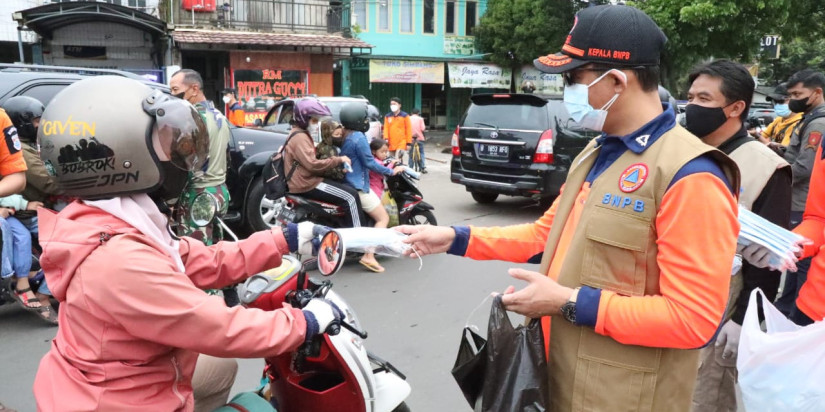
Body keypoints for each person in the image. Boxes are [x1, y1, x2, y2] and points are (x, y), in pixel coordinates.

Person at [398, 5, 740, 411]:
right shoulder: (597, 152)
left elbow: (692, 319)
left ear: (615, 80)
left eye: (573, 79)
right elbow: (546, 235)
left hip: (622, 397)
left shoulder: (690, 174)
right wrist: (454, 237)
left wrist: (566, 302)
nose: (566, 92)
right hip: (559, 377)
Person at [32, 75, 343, 411]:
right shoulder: (119, 259)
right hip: (114, 402)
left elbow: (200, 260)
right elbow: (218, 327)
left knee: (221, 368)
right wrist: (305, 322)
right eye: (165, 143)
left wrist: (284, 239)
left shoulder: (110, 220)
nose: (177, 153)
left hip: (115, 380)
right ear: (127, 155)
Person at [683, 59, 791, 412]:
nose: (693, 106)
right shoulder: (681, 150)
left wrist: (743, 318)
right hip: (671, 291)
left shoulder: (764, 166)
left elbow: (768, 258)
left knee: (704, 395)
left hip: (721, 300)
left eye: (704, 98)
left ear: (736, 108)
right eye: (691, 97)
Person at [776, 69, 825, 318]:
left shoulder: (818, 123)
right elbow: (818, 219)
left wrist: (777, 181)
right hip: (813, 305)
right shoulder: (809, 120)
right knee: (796, 266)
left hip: (800, 198)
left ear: (817, 93)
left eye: (798, 94)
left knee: (802, 268)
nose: (791, 100)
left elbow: (803, 168)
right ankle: (787, 309)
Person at [169, 69, 231, 245]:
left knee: (196, 257)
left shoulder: (191, 120)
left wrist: (170, 200)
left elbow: (183, 166)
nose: (172, 95)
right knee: (216, 252)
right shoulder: (220, 116)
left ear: (194, 89)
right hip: (220, 192)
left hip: (199, 196)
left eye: (175, 89)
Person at [339, 102, 403, 273]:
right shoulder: (358, 137)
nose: (366, 121)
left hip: (348, 182)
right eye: (364, 118)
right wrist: (389, 171)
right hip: (359, 186)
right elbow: (369, 162)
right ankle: (369, 255)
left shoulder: (347, 135)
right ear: (357, 120)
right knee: (383, 218)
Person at [283, 98, 363, 229]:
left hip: (304, 179)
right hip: (306, 183)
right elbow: (312, 164)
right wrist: (339, 159)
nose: (316, 124)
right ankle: (359, 241)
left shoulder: (299, 134)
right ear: (304, 118)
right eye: (314, 120)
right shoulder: (300, 137)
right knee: (351, 197)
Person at [2, 96, 66, 210]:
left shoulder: (32, 145)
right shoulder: (21, 150)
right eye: (37, 121)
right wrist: (78, 186)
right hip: (30, 213)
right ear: (21, 123)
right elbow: (48, 182)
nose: (40, 125)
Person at [757, 83, 802, 152]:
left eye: (780, 101)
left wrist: (757, 136)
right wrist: (754, 134)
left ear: (794, 99)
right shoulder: (778, 120)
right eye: (775, 102)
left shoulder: (799, 123)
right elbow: (763, 135)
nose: (777, 105)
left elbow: (782, 150)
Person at [382, 97, 412, 162]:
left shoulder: (405, 116)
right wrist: (386, 139)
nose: (392, 106)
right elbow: (386, 128)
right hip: (390, 143)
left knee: (399, 161)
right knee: (391, 162)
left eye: (394, 104)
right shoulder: (387, 116)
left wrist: (408, 143)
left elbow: (408, 129)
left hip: (401, 143)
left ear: (399, 105)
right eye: (391, 104)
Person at [409, 108, 427, 173]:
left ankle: (410, 167)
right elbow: (423, 129)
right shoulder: (420, 119)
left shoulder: (408, 118)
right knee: (421, 152)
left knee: (411, 153)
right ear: (418, 113)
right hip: (419, 138)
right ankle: (422, 167)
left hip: (410, 139)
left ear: (411, 113)